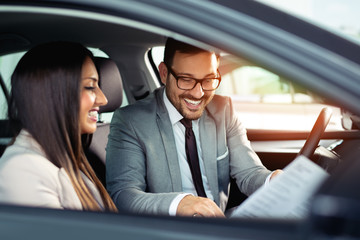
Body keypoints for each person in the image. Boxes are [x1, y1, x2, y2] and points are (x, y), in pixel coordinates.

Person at [106, 38, 281, 217]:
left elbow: (249, 172)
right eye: (186, 80)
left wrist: (272, 180)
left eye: (208, 80)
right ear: (164, 73)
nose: (198, 94)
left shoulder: (224, 110)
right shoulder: (130, 121)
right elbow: (123, 194)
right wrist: (180, 203)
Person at [0, 42, 117, 212]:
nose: (103, 99)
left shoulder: (67, 157)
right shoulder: (22, 169)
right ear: (52, 95)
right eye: (90, 86)